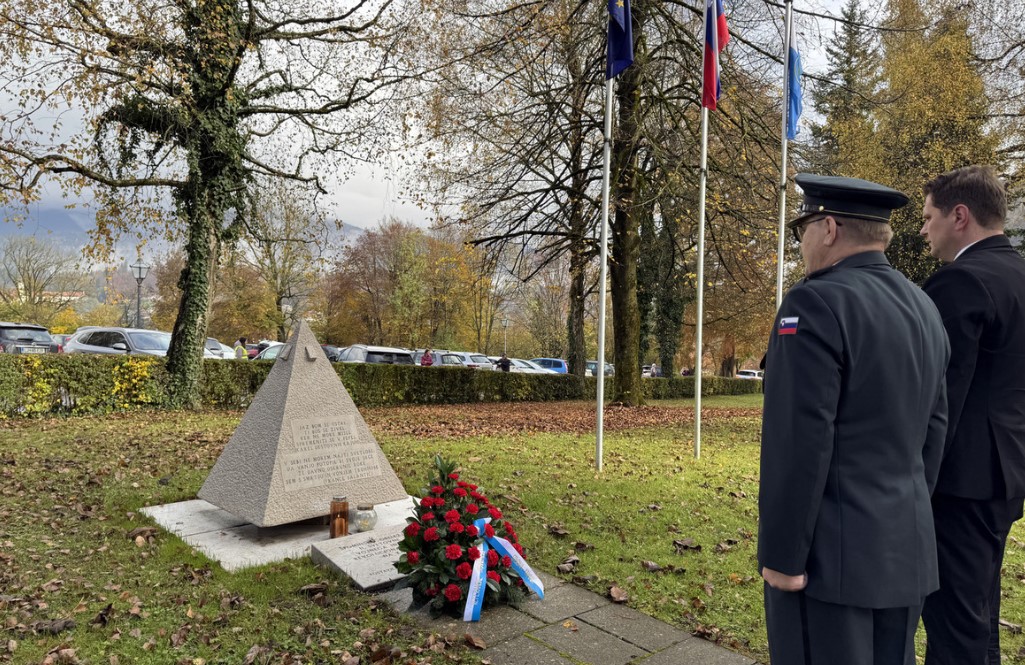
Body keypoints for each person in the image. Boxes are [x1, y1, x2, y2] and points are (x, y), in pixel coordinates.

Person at [758, 174, 949, 665]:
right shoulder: (924, 306)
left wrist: (782, 558)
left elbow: (798, 444)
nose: (800, 243)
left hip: (829, 565)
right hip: (903, 551)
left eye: (803, 229)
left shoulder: (813, 302)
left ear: (829, 228)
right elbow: (934, 431)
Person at [918, 166, 1025, 665]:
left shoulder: (962, 281)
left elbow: (940, 397)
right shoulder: (1018, 275)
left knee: (955, 623)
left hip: (960, 482)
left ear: (960, 216)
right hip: (1006, 474)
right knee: (979, 613)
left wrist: (914, 478)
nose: (923, 229)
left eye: (929, 216)